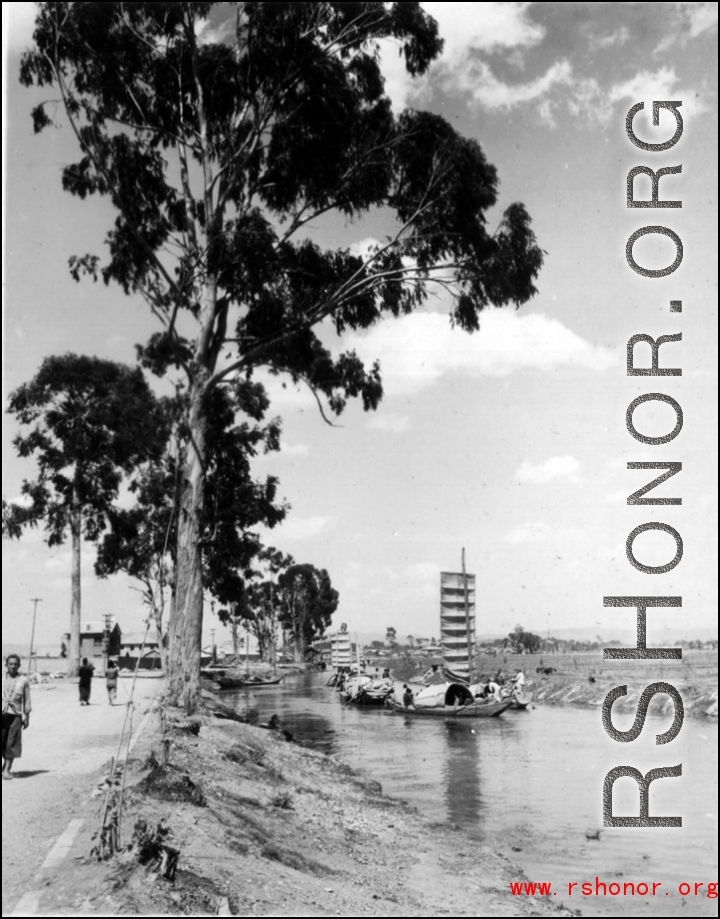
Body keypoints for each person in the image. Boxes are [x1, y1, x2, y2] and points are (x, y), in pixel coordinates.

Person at [2, 654, 32, 780]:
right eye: (11, 664)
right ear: (6, 665)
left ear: (19, 665)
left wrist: (27, 717)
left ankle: (7, 770)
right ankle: (5, 766)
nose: (13, 666)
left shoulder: (23, 680)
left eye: (16, 664)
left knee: (12, 742)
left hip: (16, 715)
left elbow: (27, 699)